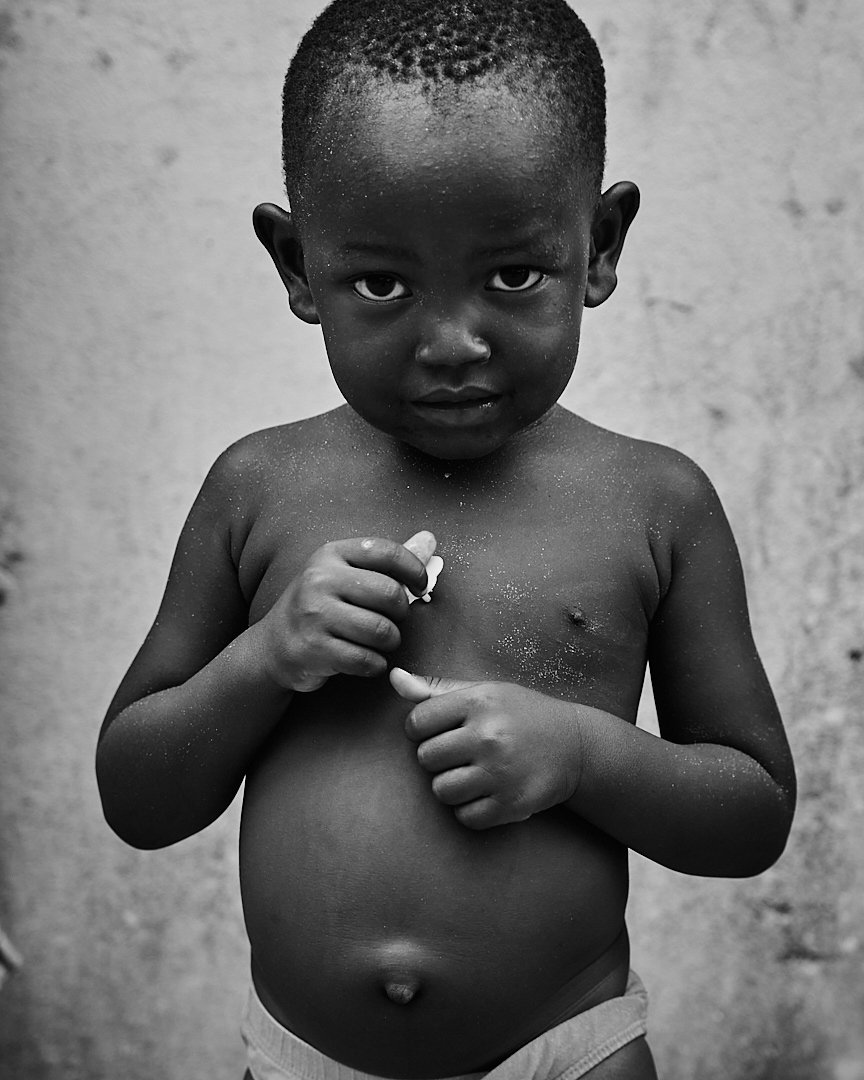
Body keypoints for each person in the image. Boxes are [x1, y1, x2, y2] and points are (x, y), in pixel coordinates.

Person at [95, 1, 796, 1077]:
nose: (454, 342)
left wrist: (580, 756)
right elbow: (137, 799)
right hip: (304, 1060)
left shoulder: (656, 504)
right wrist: (265, 658)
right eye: (382, 284)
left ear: (600, 245)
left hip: (570, 1051)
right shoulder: (257, 489)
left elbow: (752, 815)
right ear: (297, 265)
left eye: (513, 276)